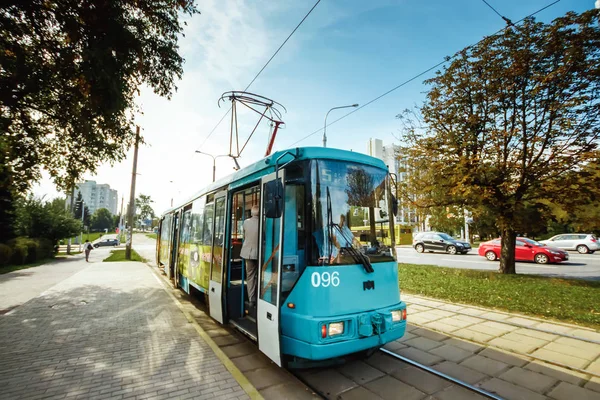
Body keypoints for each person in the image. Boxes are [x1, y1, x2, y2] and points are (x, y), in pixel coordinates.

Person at [240, 205, 260, 305]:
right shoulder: (263, 223)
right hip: (260, 253)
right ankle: (260, 296)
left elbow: (244, 236)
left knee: (250, 276)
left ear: (252, 213)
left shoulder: (246, 222)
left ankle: (252, 299)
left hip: (248, 253)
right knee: (260, 275)